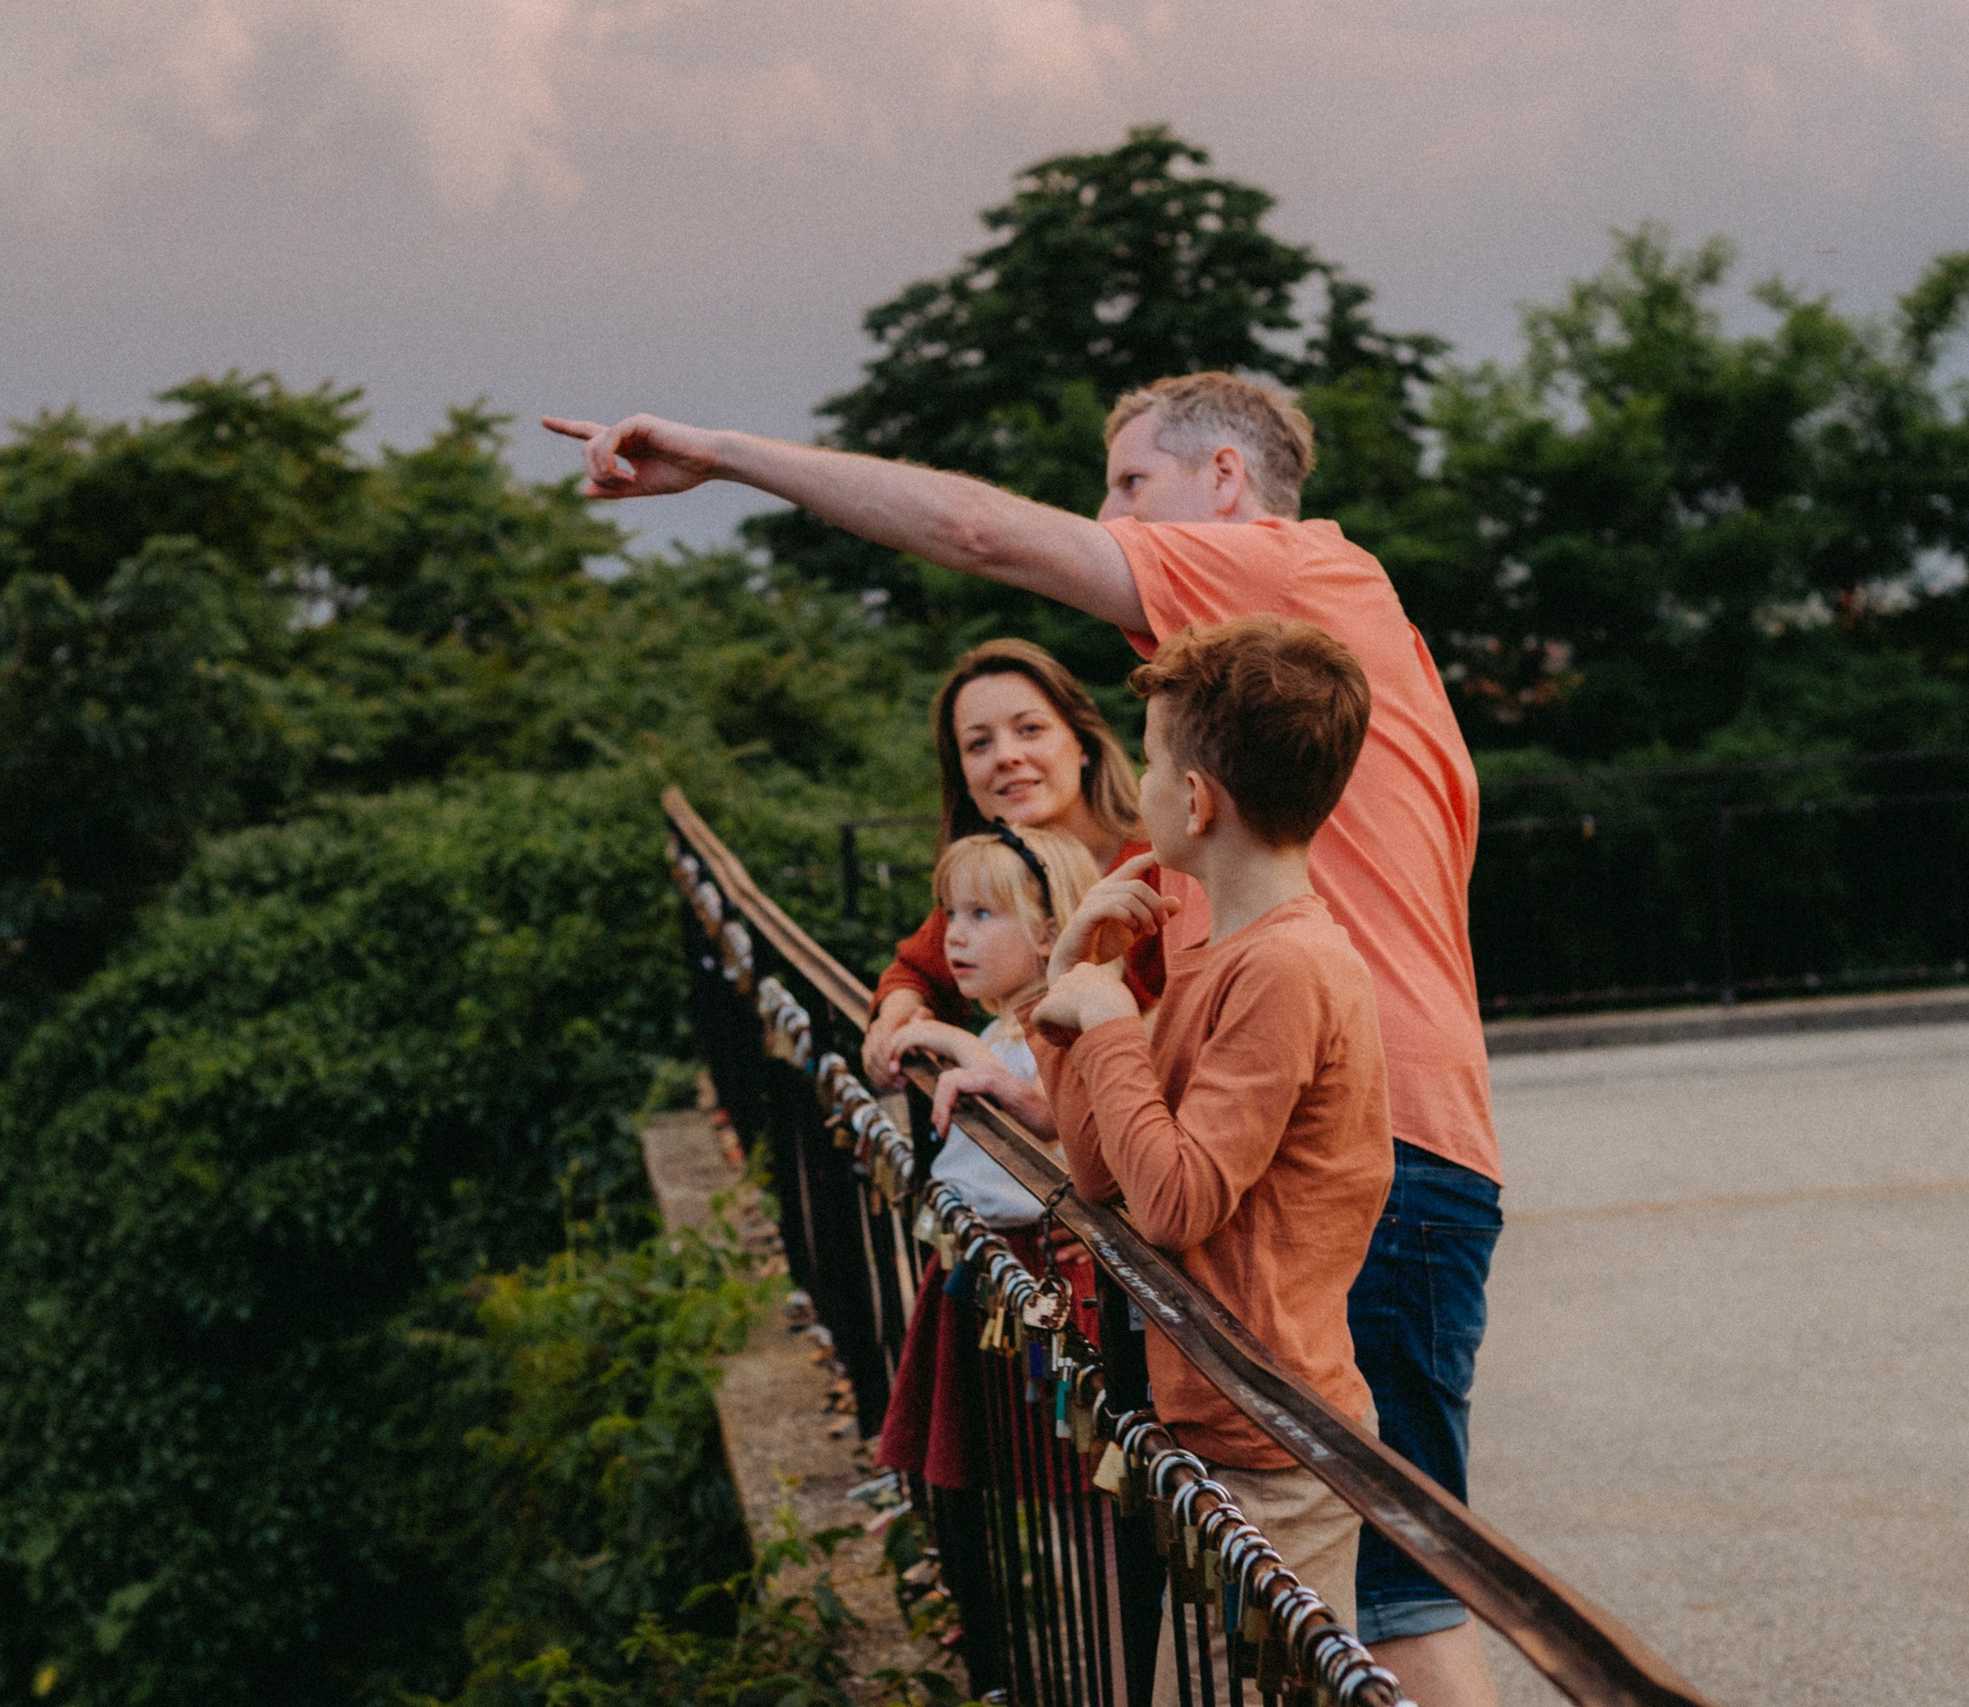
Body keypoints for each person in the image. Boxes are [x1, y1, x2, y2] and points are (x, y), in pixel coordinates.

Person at [546, 370, 1503, 1707]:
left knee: (1389, 1609)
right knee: (1334, 1616)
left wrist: (721, 453)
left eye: (1130, 483)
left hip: (1370, 1158)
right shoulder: (1287, 680)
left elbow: (982, 532)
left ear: (1226, 480)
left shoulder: (1296, 574)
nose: (1106, 518)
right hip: (1358, 1156)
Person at [1026, 615, 1386, 1701]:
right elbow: (1107, 1177)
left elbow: (1177, 1202)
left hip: (1273, 1436)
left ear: (1194, 801)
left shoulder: (1287, 968)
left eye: (1147, 761)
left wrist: (1110, 1029)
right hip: (1213, 1423)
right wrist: (1072, 979)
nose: (1136, 783)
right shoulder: (1213, 952)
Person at [869, 820, 1101, 1700]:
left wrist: (961, 1048)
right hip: (1002, 1284)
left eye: (980, 914)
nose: (953, 936)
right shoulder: (1006, 1022)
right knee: (1063, 1528)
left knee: (1094, 1531)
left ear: (1049, 934)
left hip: (1047, 1290)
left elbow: (1064, 1126)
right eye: (949, 913)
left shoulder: (1055, 1021)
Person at [857, 638, 1161, 1104]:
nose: (1006, 756)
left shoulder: (1165, 864)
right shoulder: (993, 882)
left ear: (1081, 742)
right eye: (979, 743)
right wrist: (897, 1017)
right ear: (962, 775)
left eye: (1030, 729)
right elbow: (919, 971)